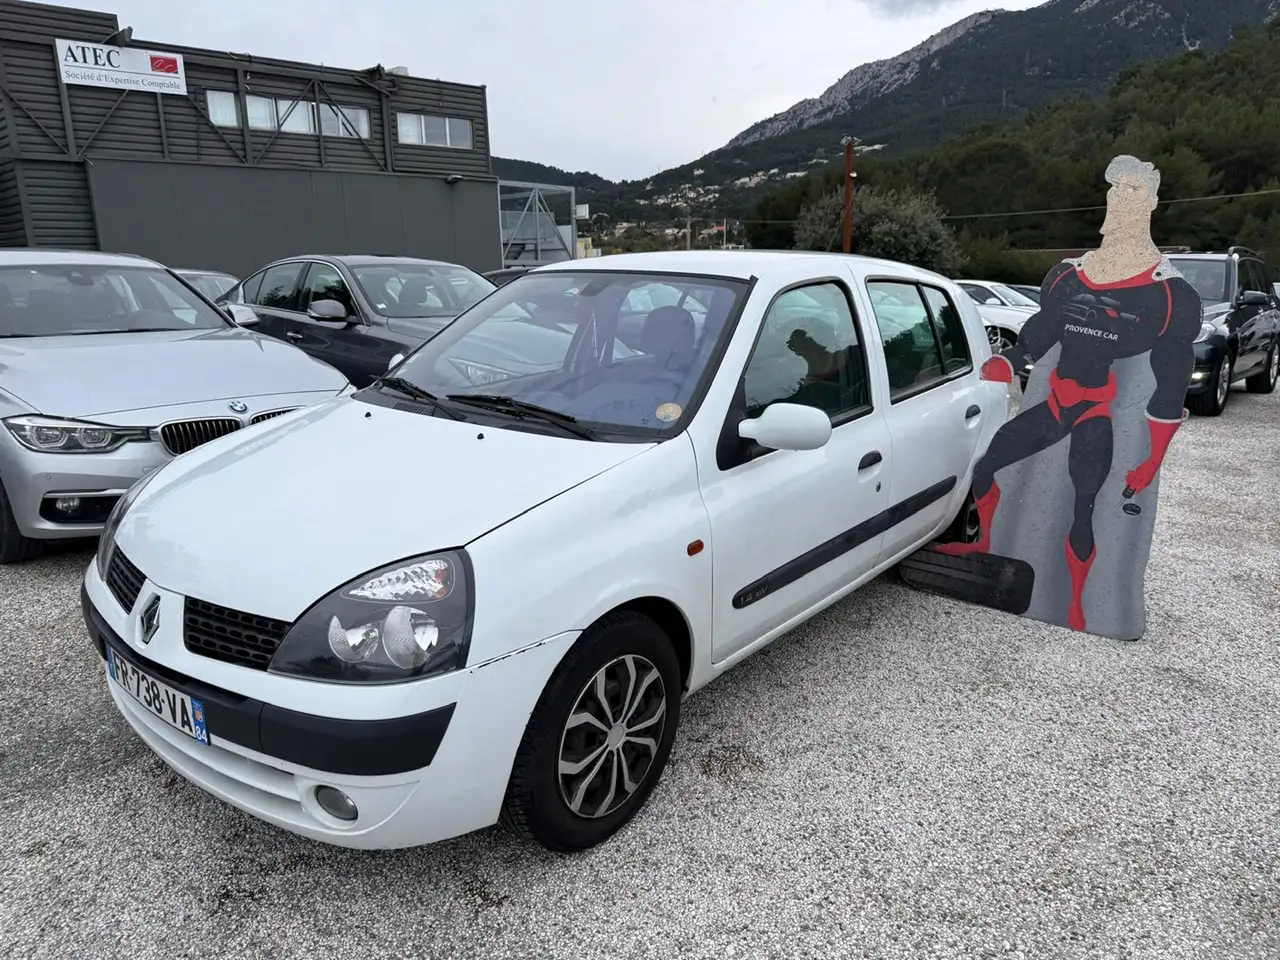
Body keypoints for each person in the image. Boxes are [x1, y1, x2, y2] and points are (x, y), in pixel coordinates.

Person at [935, 155, 1203, 633]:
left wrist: (1151, 460)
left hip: (1095, 412)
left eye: (1133, 191)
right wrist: (1011, 359)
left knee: (1085, 508)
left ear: (1152, 202)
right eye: (1116, 189)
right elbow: (1045, 327)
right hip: (1055, 403)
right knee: (988, 463)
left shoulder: (1169, 296)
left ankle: (1079, 605)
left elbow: (1171, 379)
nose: (1120, 198)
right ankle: (984, 545)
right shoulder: (1068, 275)